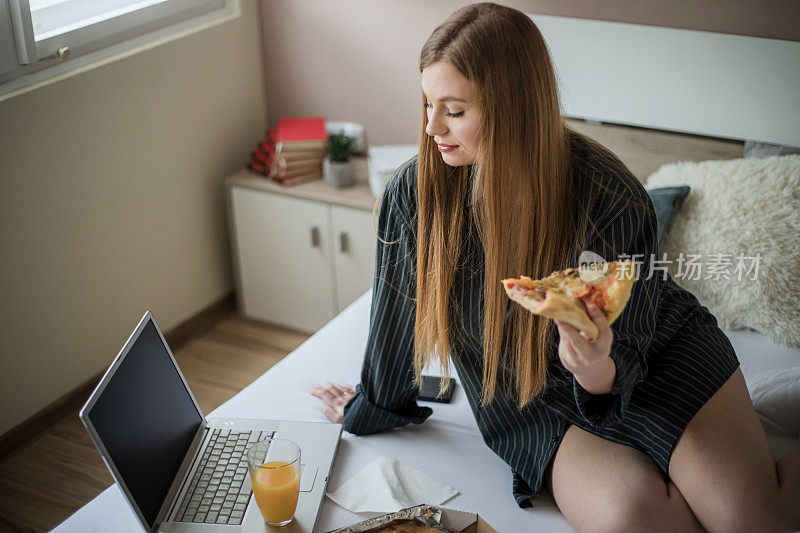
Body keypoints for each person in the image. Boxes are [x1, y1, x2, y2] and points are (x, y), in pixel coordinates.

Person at [311, 3, 800, 531]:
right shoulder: (414, 196)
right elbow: (394, 318)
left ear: (512, 107)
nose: (431, 127)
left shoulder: (610, 197)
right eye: (428, 104)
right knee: (636, 522)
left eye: (453, 110)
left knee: (752, 520)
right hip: (534, 404)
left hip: (659, 361)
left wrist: (591, 363)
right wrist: (372, 406)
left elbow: (627, 343)